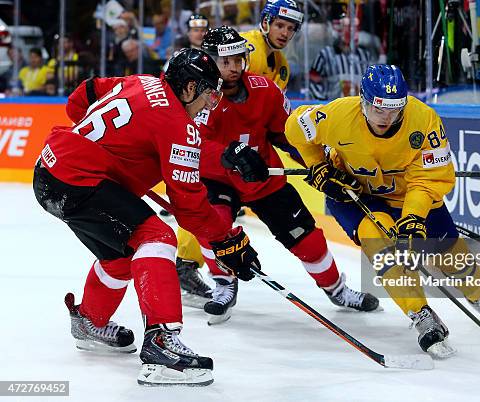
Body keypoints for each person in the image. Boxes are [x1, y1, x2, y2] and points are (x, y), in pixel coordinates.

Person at [32, 48, 261, 386]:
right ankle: (161, 344)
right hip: (78, 178)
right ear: (188, 89)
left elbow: (87, 92)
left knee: (123, 256)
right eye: (208, 94)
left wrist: (99, 145)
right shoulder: (178, 125)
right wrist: (226, 239)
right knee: (157, 237)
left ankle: (88, 320)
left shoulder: (142, 81)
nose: (210, 104)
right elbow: (189, 208)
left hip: (50, 170)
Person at [284, 65, 480, 357]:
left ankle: (479, 296)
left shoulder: (424, 120)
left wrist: (413, 218)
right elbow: (294, 128)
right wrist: (316, 164)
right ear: (363, 100)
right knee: (381, 247)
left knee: (444, 246)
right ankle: (421, 314)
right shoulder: (337, 115)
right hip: (354, 195)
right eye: (379, 109)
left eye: (395, 110)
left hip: (407, 193)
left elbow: (428, 179)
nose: (387, 118)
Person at [174, 26, 379, 324]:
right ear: (209, 61)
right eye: (224, 61)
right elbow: (193, 142)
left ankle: (337, 289)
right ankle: (223, 283)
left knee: (307, 240)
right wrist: (229, 155)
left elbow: (287, 134)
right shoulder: (199, 96)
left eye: (237, 59)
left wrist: (314, 162)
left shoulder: (265, 89)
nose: (233, 68)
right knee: (211, 226)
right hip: (218, 178)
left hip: (263, 178)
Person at [240, 0, 304, 90]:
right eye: (280, 26)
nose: (285, 34)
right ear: (265, 22)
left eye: (290, 28)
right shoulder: (242, 47)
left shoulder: (282, 66)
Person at [309, 8, 371, 100]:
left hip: (357, 109)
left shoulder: (365, 56)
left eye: (353, 27)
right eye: (345, 27)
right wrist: (323, 103)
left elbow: (370, 84)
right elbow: (312, 82)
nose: (349, 31)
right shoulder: (325, 55)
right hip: (334, 110)